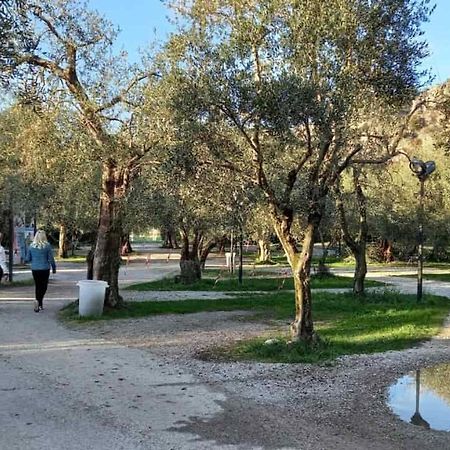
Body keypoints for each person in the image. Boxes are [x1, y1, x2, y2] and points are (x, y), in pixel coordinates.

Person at [26, 230, 56, 312]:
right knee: (44, 286)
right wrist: (54, 268)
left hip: (35, 269)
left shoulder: (31, 246)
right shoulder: (47, 246)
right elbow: (51, 259)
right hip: (45, 269)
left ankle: (38, 302)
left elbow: (27, 258)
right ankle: (39, 302)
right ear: (44, 236)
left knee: (37, 286)